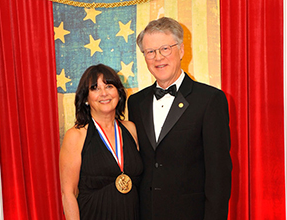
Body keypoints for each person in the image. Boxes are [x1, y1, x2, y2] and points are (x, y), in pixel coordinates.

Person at [127, 17, 232, 220]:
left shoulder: (210, 100)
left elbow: (218, 174)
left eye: (165, 48)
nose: (158, 57)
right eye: (150, 52)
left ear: (181, 50)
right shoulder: (135, 102)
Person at [60, 64, 143, 220]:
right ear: (85, 98)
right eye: (95, 88)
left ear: (118, 92)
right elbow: (68, 193)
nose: (104, 93)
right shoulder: (76, 136)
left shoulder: (131, 129)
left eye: (109, 86)